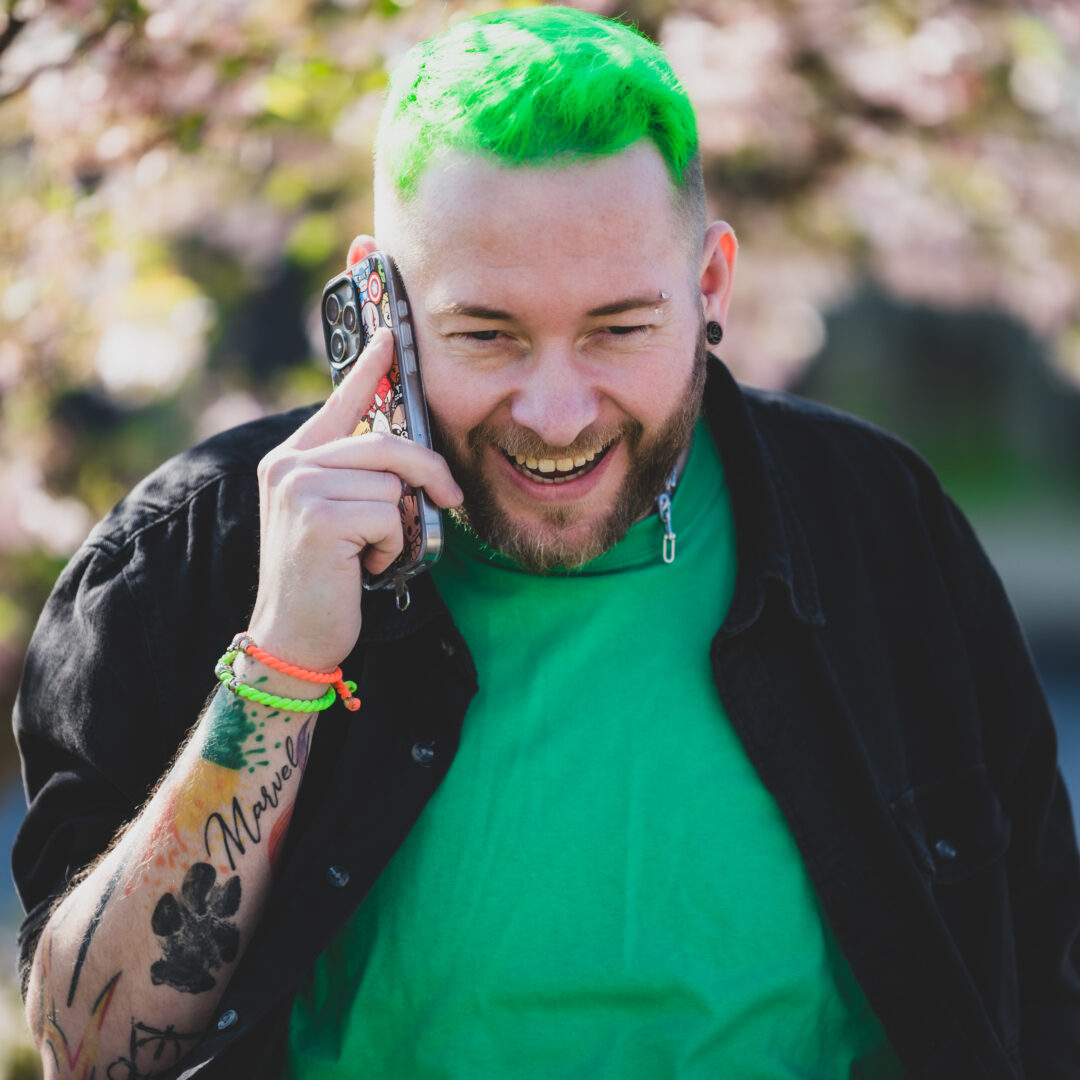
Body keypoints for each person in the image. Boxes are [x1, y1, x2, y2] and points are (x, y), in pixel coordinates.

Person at [12, 7, 1080, 1079]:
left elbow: (1045, 988)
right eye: (487, 333)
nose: (557, 414)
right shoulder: (187, 554)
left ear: (710, 285)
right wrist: (282, 665)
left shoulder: (882, 526)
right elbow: (88, 1052)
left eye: (619, 329)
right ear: (381, 302)